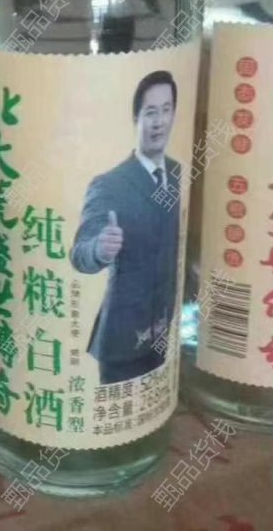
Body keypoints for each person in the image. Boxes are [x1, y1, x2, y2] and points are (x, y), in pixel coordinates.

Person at [70, 70, 181, 384]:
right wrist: (99, 249)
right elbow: (79, 252)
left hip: (165, 332)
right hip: (123, 343)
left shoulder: (178, 173)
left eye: (166, 110)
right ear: (136, 118)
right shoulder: (110, 184)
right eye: (150, 112)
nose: (159, 121)